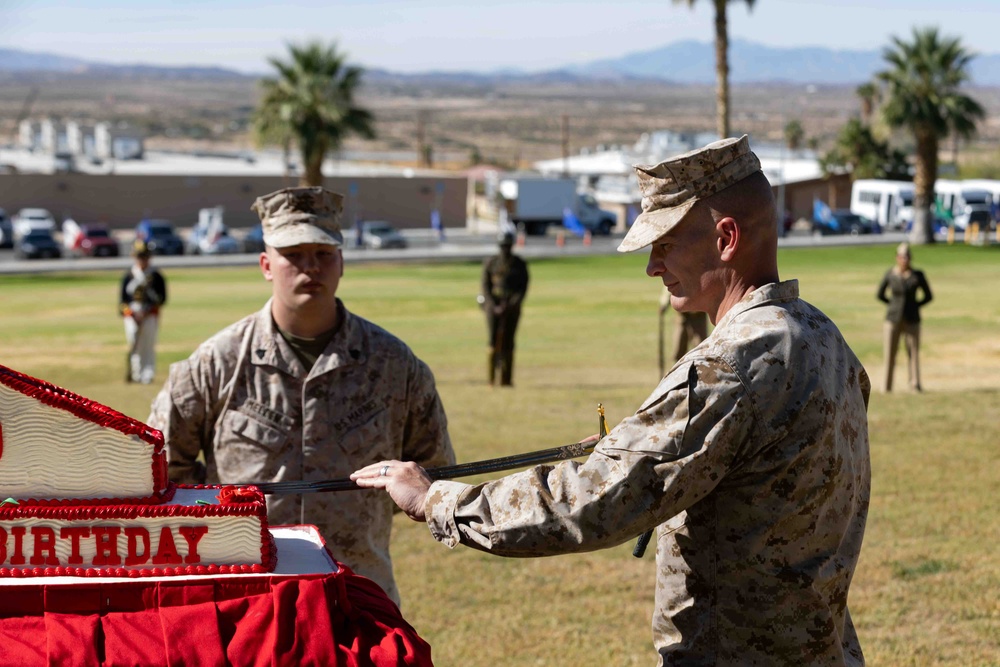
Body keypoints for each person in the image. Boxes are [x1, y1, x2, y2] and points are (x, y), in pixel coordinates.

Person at [353, 136, 871, 665]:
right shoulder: (820, 335)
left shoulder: (728, 366)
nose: (652, 266)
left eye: (665, 244)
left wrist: (436, 500)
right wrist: (631, 443)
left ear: (726, 237)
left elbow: (592, 503)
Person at [147, 186, 455, 605]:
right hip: (245, 598)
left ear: (342, 262)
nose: (310, 266)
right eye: (293, 254)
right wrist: (219, 509)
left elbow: (436, 475)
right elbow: (159, 470)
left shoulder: (395, 366)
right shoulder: (216, 363)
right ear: (266, 265)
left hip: (355, 598)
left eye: (324, 253)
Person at [877, 242, 932, 392]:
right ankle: (886, 387)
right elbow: (880, 294)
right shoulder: (891, 274)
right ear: (897, 258)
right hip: (892, 319)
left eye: (907, 257)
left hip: (912, 319)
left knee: (913, 353)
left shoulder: (917, 275)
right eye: (901, 257)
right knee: (890, 354)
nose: (904, 260)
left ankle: (915, 384)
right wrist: (892, 305)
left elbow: (928, 296)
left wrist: (915, 306)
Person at [481, 231, 529, 386]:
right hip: (493, 308)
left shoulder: (519, 264)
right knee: (493, 341)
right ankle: (491, 378)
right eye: (503, 246)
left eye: (507, 246)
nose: (505, 249)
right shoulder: (491, 263)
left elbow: (523, 287)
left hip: (512, 308)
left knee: (509, 342)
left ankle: (506, 379)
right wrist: (493, 305)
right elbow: (485, 286)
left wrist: (512, 304)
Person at [120, 241, 167, 384]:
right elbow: (123, 301)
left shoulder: (156, 276)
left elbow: (162, 298)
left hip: (150, 314)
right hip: (132, 315)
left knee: (148, 344)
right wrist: (132, 314)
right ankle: (136, 373)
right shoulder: (129, 275)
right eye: (139, 256)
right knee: (134, 343)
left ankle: (148, 373)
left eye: (144, 256)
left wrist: (147, 312)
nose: (142, 260)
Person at [658, 285, 709, 374]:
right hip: (682, 315)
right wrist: (664, 303)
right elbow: (670, 286)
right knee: (678, 350)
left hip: (699, 314)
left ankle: (702, 375)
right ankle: (676, 376)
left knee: (701, 350)